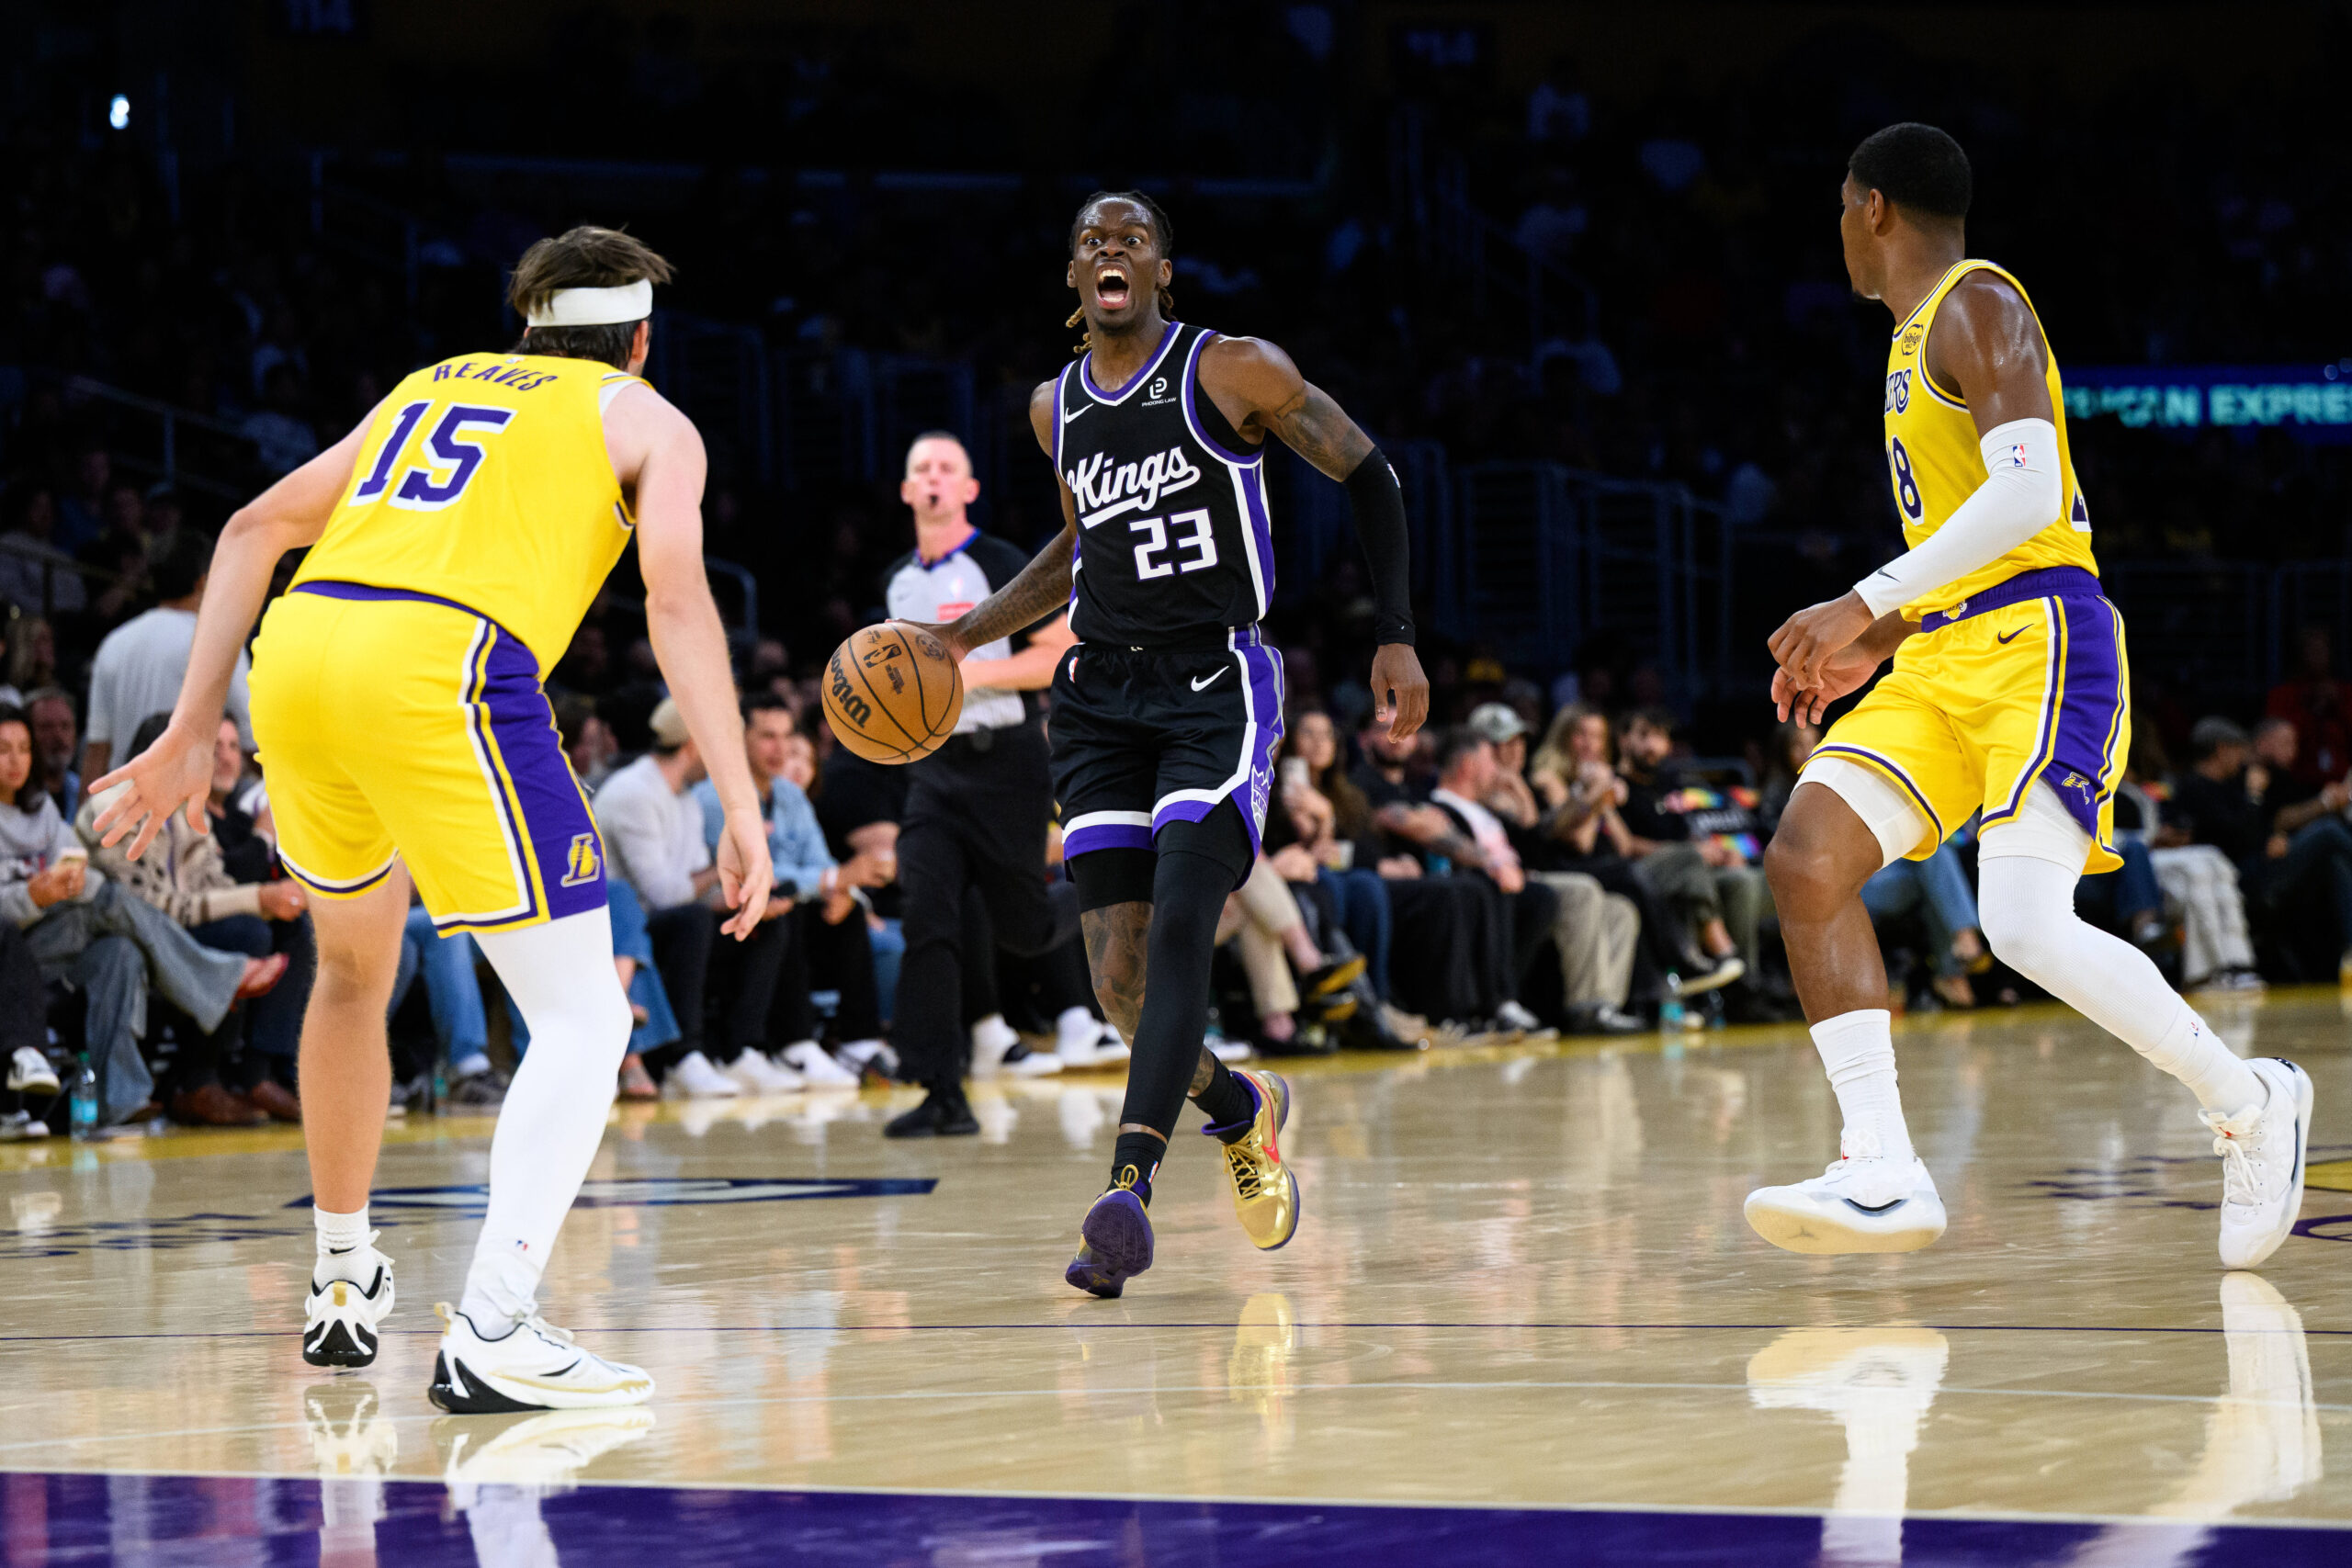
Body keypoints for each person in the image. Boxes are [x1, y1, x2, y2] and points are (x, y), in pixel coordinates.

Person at [90, 228, 773, 1409]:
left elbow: (251, 526)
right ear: (640, 340)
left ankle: (344, 1276)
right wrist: (742, 795)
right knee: (583, 1019)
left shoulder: (429, 385)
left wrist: (194, 729)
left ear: (529, 325)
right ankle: (498, 1322)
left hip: (299, 656)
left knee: (350, 972)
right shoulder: (649, 419)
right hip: (442, 664)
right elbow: (675, 596)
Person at [1752, 125, 2308, 1268]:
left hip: (2042, 642)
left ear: (1871, 210)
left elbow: (2030, 493)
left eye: (1840, 213)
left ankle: (2249, 1099)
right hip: (1942, 652)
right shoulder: (1912, 339)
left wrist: (1859, 600)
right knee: (1807, 858)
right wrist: (1889, 629)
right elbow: (1968, 539)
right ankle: (1881, 1168)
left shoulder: (1979, 300)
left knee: (2019, 923)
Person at [916, 192, 1428, 1295]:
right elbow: (1075, 548)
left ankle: (1125, 1194)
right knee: (1118, 980)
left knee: (1188, 921)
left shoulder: (1232, 370)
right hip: (1098, 696)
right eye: (1091, 240)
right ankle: (1241, 1108)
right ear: (1072, 277)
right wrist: (964, 634)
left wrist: (1395, 637)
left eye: (1131, 240)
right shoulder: (1056, 408)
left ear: (1161, 271)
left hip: (1214, 682)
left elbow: (1371, 473)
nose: (1110, 250)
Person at [877, 432, 1086, 1138]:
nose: (932, 477)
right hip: (933, 771)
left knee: (1024, 930)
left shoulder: (999, 562)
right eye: (920, 468)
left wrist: (966, 670)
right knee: (927, 920)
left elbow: (1058, 652)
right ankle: (942, 1091)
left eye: (947, 467)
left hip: (1007, 764)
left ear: (968, 489)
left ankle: (1105, 884)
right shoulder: (897, 579)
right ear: (907, 491)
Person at [0, 705, 285, 1126]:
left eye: (24, 749)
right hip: (14, 953)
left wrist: (66, 884)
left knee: (120, 953)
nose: (16, 760)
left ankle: (118, 1100)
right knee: (108, 898)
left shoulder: (41, 811)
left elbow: (75, 871)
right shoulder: (111, 808)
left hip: (62, 936)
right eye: (4, 749)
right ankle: (220, 978)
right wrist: (33, 896)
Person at [80, 712, 311, 1124]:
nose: (206, 765)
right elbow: (152, 909)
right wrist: (258, 895)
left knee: (286, 926)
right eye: (198, 755)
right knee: (246, 934)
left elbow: (215, 884)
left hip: (168, 927)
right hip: (109, 930)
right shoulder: (114, 806)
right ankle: (197, 1079)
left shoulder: (187, 808)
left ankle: (259, 1070)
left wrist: (271, 899)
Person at [697, 692, 886, 1091]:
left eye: (786, 736)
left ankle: (860, 1040)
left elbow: (819, 864)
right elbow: (745, 870)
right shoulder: (715, 796)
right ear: (740, 738)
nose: (780, 748)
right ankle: (794, 1044)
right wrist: (830, 881)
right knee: (784, 902)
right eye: (767, 736)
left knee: (843, 907)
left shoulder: (791, 795)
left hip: (784, 910)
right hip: (725, 913)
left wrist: (839, 888)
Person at [1464, 703, 1642, 1033]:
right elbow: (1536, 847)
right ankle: (1585, 1006)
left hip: (1536, 873)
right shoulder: (1483, 793)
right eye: (1504, 743)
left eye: (1519, 740)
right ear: (1480, 749)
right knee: (1585, 889)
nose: (1516, 750)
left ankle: (1605, 1005)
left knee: (1621, 910)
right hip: (1516, 879)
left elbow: (1538, 840)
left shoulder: (1522, 787)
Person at [596, 697, 731, 1097]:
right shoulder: (633, 793)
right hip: (614, 920)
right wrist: (722, 870)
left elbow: (692, 881)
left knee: (755, 920)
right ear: (693, 745)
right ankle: (683, 1055)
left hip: (649, 917)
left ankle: (747, 1049)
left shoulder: (685, 799)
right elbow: (663, 893)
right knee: (693, 920)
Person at [82, 530, 250, 782]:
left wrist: (83, 819)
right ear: (203, 581)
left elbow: (97, 751)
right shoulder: (218, 643)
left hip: (121, 806)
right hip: (186, 806)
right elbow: (252, 741)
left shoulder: (114, 643)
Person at [25, 688, 81, 820]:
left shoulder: (84, 790)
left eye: (65, 726)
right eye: (46, 727)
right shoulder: (13, 795)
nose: (58, 736)